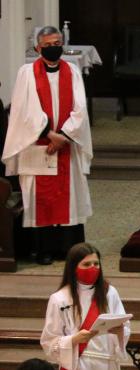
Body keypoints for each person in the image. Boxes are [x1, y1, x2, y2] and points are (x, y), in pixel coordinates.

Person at [1, 26, 92, 265]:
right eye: (49, 44)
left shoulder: (71, 70)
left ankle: (68, 249)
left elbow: (80, 108)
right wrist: (49, 134)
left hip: (66, 145)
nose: (54, 48)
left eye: (57, 43)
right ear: (37, 48)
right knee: (40, 199)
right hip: (37, 145)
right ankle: (44, 250)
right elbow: (23, 110)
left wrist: (63, 135)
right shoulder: (27, 72)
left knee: (68, 195)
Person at [40, 242, 130, 370]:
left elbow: (124, 325)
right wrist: (73, 340)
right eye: (87, 264)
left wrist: (119, 331)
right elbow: (48, 341)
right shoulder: (59, 299)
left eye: (96, 264)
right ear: (74, 267)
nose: (93, 269)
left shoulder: (108, 293)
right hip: (80, 369)